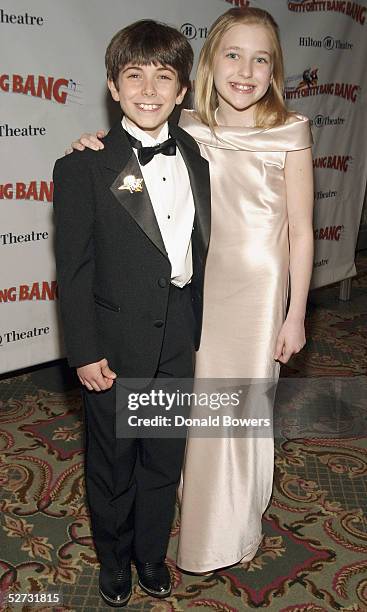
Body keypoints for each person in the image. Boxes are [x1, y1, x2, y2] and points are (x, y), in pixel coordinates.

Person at [68, 7, 314, 574]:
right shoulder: (185, 123)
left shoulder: (291, 130)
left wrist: (296, 313)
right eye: (233, 54)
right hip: (190, 293)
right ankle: (183, 510)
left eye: (261, 59)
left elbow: (301, 229)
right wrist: (93, 143)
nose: (246, 70)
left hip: (255, 295)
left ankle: (228, 528)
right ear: (208, 63)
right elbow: (134, 137)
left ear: (275, 69)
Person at [53, 19, 210, 607]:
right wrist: (85, 349)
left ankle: (149, 553)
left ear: (183, 88)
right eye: (134, 76)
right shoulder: (82, 167)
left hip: (177, 335)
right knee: (114, 464)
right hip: (113, 345)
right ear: (113, 88)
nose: (149, 89)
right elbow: (73, 269)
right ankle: (113, 559)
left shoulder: (194, 154)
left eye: (164, 76)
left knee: (163, 458)